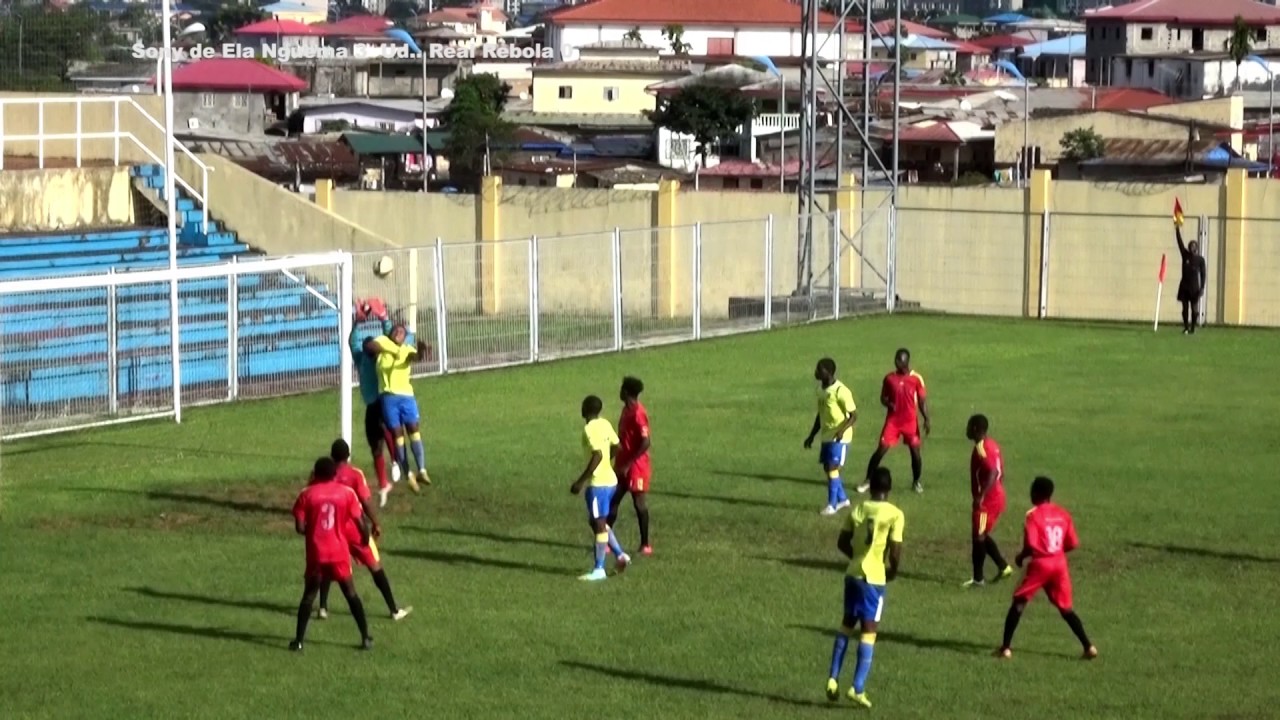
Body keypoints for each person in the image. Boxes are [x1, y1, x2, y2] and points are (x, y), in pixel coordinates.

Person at [996, 476, 1098, 660]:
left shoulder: (1033, 515)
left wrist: (1021, 556)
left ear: (1036, 493)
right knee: (1066, 608)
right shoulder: (1063, 513)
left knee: (1019, 601)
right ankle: (1088, 646)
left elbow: (1032, 544)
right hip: (1059, 563)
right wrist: (1056, 551)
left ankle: (1005, 648)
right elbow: (1073, 543)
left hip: (1041, 563)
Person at [826, 468, 903, 709]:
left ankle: (832, 677)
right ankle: (857, 687)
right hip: (874, 579)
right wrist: (892, 570)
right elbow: (896, 549)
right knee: (869, 631)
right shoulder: (895, 514)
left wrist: (856, 557)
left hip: (853, 574)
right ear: (888, 490)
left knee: (846, 625)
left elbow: (841, 542)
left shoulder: (858, 509)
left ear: (871, 488)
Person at [316, 439, 412, 623]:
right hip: (353, 527)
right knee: (374, 565)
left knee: (328, 565)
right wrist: (375, 522)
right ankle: (394, 610)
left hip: (331, 529)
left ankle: (322, 607)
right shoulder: (354, 474)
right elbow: (365, 501)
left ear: (332, 455)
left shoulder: (322, 473)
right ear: (348, 455)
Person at [290, 457, 373, 651]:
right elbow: (361, 523)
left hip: (316, 553)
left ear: (315, 474)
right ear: (334, 474)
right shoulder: (347, 494)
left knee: (309, 596)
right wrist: (365, 539)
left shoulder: (306, 494)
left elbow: (300, 527)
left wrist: (314, 529)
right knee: (351, 594)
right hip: (339, 552)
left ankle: (299, 641)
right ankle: (365, 637)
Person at [570, 395, 631, 581]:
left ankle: (599, 569)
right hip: (610, 481)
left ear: (585, 410)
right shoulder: (604, 424)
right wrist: (607, 461)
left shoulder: (589, 429)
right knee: (597, 522)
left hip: (598, 484)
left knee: (599, 524)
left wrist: (580, 481)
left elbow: (596, 455)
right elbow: (617, 446)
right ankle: (621, 555)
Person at [352, 298, 401, 508]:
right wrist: (357, 322)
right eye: (368, 345)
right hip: (371, 406)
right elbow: (353, 342)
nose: (370, 347)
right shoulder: (360, 357)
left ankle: (397, 461)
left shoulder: (382, 359)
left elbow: (391, 337)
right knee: (374, 447)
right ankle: (383, 484)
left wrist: (384, 318)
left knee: (386, 428)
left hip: (384, 401)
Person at [862, 348, 930, 494]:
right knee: (881, 450)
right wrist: (888, 403)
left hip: (910, 422)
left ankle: (916, 481)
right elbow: (883, 398)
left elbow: (923, 401)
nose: (897, 361)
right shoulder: (889, 378)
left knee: (915, 454)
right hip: (893, 422)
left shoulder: (916, 378)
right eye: (896, 358)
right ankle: (868, 480)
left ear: (907, 361)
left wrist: (926, 418)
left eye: (900, 359)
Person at [372, 324, 430, 491]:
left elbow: (415, 357)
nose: (399, 333)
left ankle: (421, 469)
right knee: (398, 435)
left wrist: (422, 351)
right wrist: (390, 349)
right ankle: (408, 473)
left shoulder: (406, 349)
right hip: (388, 397)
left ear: (405, 337)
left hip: (406, 396)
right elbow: (372, 346)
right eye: (396, 331)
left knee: (414, 430)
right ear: (390, 334)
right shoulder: (383, 343)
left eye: (402, 332)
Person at [804, 358, 858, 516]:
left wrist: (842, 430)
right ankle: (843, 499)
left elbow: (854, 416)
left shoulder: (841, 391)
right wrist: (811, 436)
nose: (816, 372)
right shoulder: (820, 390)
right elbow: (820, 415)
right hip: (827, 435)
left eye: (819, 369)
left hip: (841, 437)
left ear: (828, 372)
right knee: (828, 468)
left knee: (833, 467)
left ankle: (832, 505)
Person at [964, 414, 1012, 587]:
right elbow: (1001, 472)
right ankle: (1003, 566)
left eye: (969, 426)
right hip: (997, 496)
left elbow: (992, 472)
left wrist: (981, 496)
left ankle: (978, 579)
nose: (967, 429)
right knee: (981, 535)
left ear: (976, 429)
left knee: (978, 538)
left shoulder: (981, 449)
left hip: (988, 501)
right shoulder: (993, 445)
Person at [607, 377, 653, 555]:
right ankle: (607, 542)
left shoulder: (638, 413)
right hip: (622, 464)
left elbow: (645, 442)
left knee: (639, 503)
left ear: (626, 392)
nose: (619, 391)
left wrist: (628, 463)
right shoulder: (626, 410)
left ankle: (645, 544)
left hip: (636, 467)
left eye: (621, 389)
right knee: (613, 501)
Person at [1174, 222, 1206, 334]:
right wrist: (1177, 229)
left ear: (1196, 248)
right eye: (1190, 245)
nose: (1192, 247)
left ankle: (1193, 328)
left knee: (1194, 309)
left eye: (1194, 246)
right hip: (1184, 286)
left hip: (1194, 288)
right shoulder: (1185, 255)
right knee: (1185, 308)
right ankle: (1186, 327)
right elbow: (1179, 242)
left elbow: (1203, 274)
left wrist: (1202, 288)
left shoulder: (1200, 260)